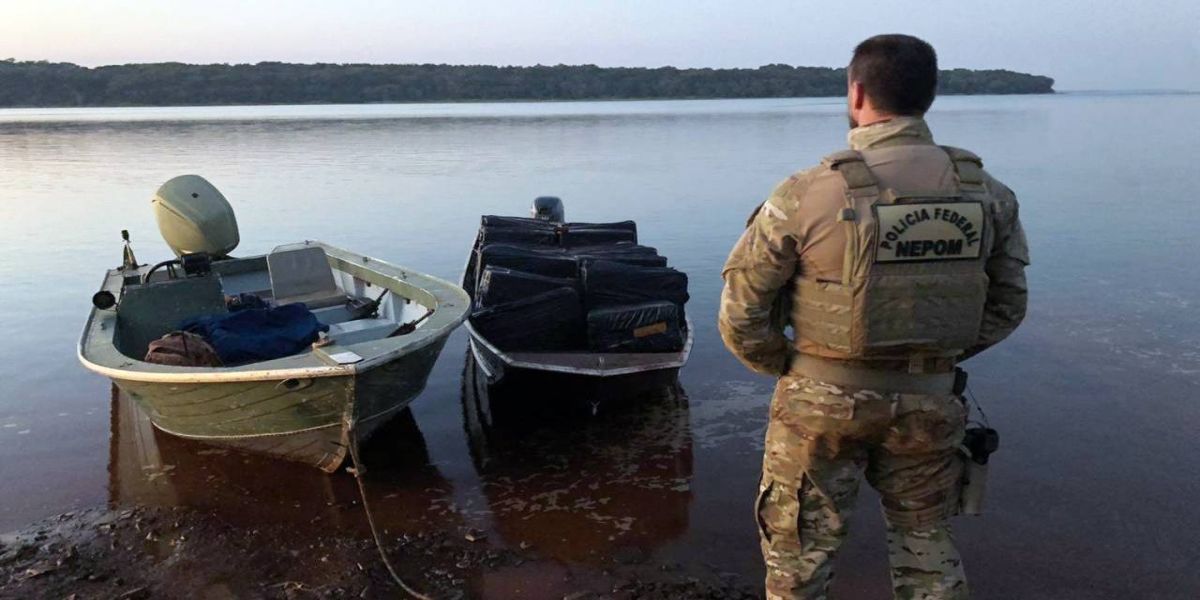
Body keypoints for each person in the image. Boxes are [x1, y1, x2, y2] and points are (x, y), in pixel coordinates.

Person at [718, 34, 1029, 600]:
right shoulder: (988, 193)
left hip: (820, 405)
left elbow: (742, 312)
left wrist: (792, 365)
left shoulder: (806, 193)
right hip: (930, 401)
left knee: (799, 556)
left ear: (856, 92)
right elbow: (1007, 306)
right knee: (926, 543)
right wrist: (935, 357)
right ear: (929, 96)